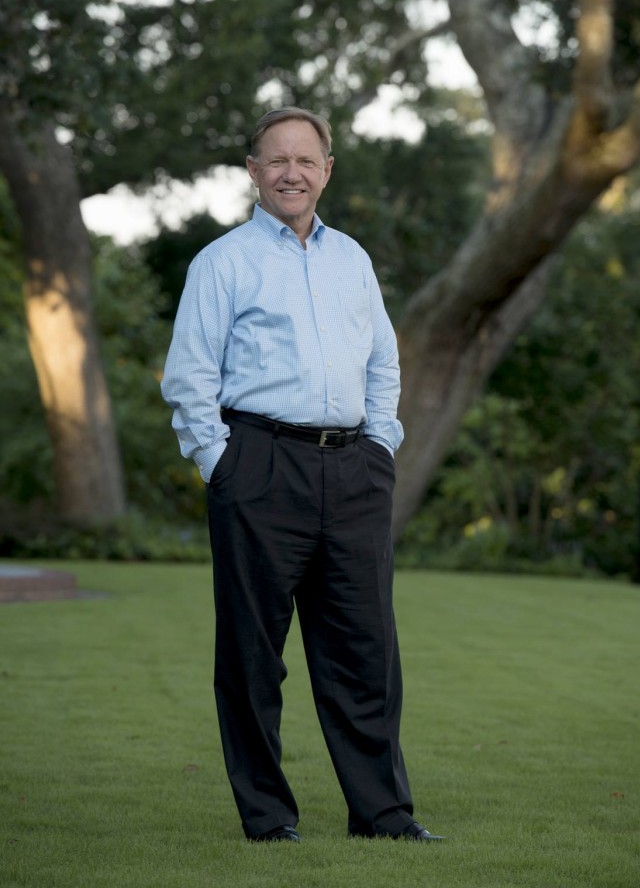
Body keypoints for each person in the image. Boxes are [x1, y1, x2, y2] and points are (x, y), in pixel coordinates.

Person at [161, 107, 443, 843]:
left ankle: (381, 814)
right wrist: (219, 462)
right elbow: (190, 374)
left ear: (325, 170)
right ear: (252, 172)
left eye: (306, 160)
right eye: (276, 160)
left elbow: (382, 361)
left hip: (352, 469)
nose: (292, 172)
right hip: (258, 465)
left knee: (365, 652)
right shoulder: (221, 263)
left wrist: (380, 444)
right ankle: (266, 817)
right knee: (254, 654)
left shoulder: (352, 259)